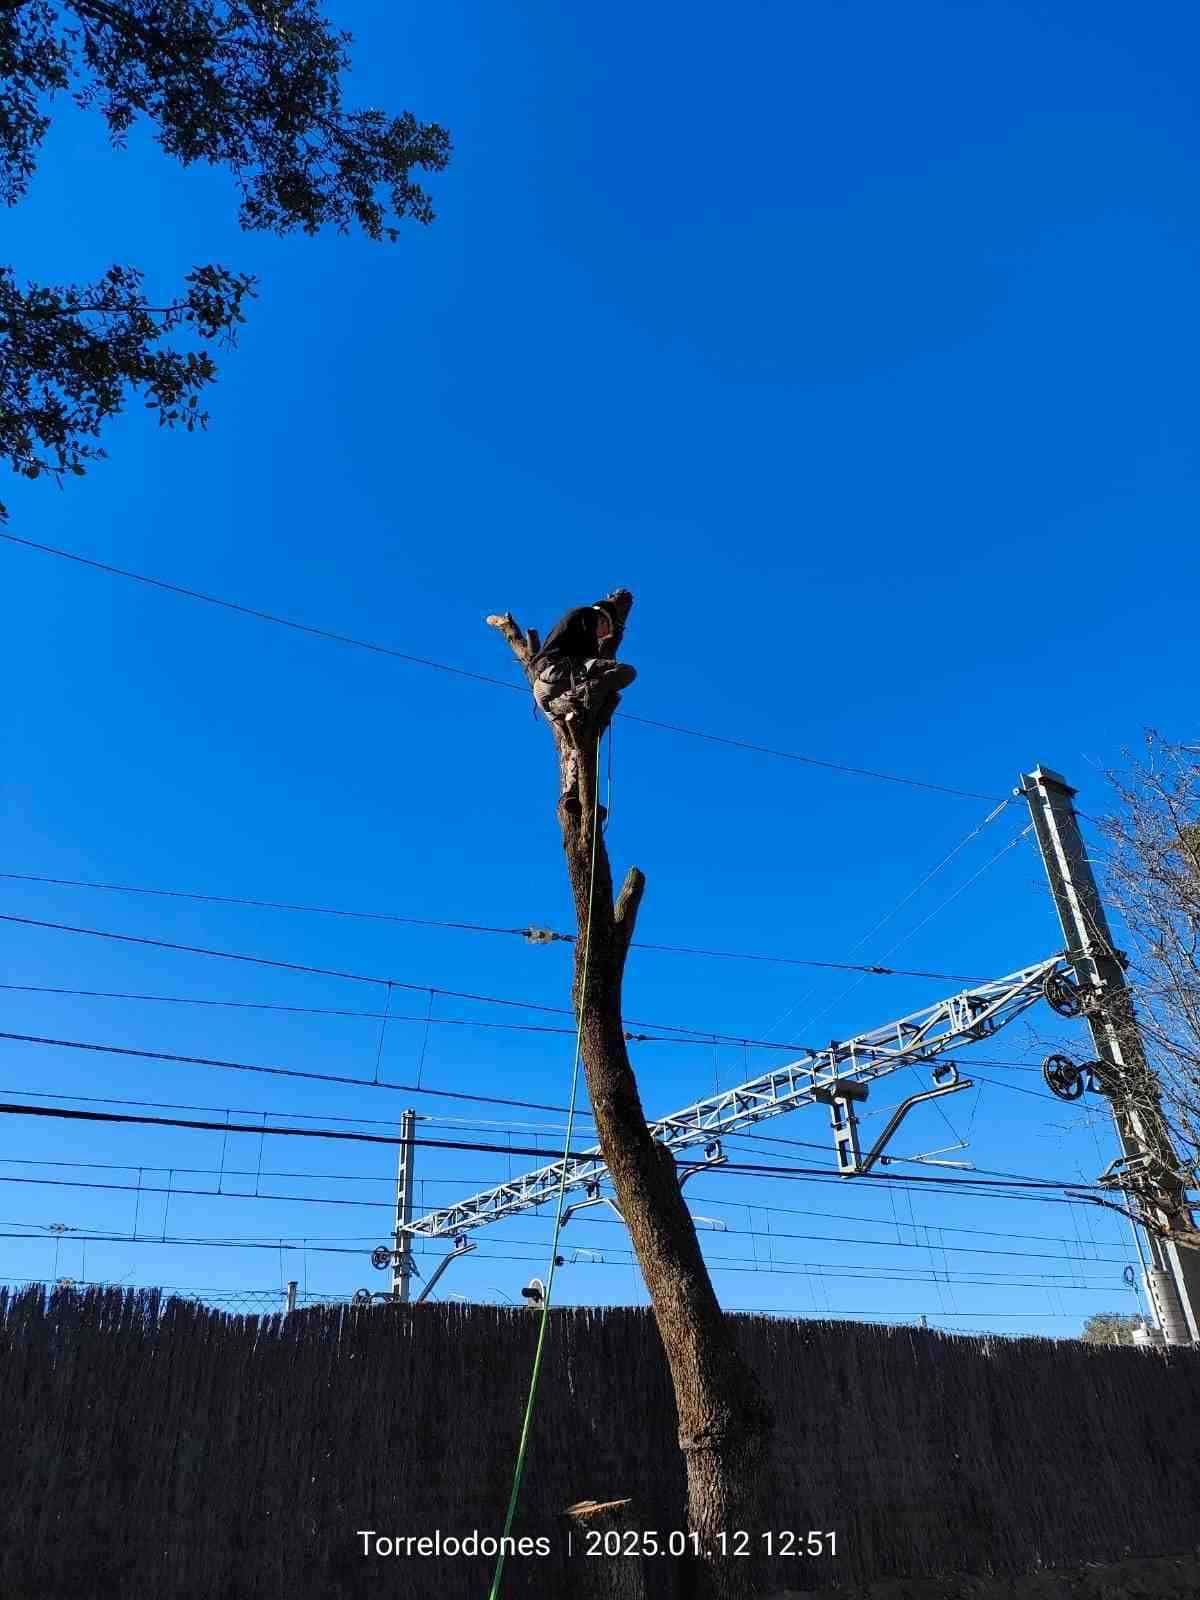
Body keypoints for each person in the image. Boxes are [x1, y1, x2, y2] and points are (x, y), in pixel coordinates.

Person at [530, 594, 636, 811]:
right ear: (603, 619)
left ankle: (572, 793)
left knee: (577, 743)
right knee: (626, 671)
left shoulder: (576, 629)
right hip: (557, 671)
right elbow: (592, 655)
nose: (602, 637)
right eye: (604, 631)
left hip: (549, 693)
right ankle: (582, 694)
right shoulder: (587, 614)